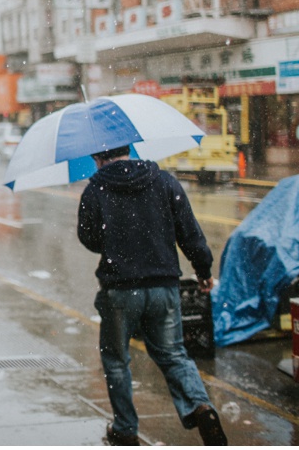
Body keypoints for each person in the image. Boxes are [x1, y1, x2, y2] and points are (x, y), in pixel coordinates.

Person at [77, 145, 227, 446]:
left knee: (117, 360)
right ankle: (201, 406)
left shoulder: (95, 190)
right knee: (173, 354)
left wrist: (116, 237)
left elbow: (89, 239)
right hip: (163, 286)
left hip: (119, 290)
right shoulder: (164, 180)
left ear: (98, 158)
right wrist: (203, 270)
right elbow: (189, 231)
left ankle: (125, 428)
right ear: (129, 151)